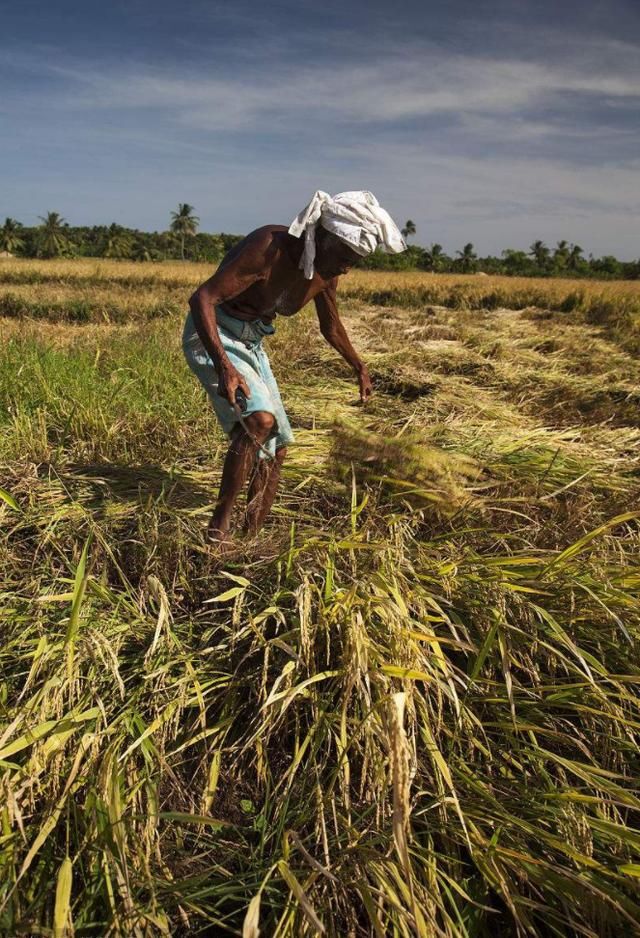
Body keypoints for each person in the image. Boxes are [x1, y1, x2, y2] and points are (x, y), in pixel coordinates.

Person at [183, 190, 406, 544]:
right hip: (215, 332)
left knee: (278, 445)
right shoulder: (269, 248)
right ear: (323, 237)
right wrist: (225, 367)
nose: (346, 268)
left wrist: (359, 367)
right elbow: (204, 299)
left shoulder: (326, 272)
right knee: (259, 422)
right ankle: (217, 534)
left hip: (251, 341)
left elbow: (331, 326)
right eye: (344, 256)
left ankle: (250, 539)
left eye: (355, 261)